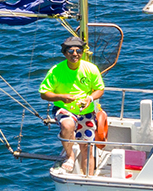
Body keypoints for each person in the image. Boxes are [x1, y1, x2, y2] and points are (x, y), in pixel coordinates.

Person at [40, 37, 105, 173]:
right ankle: (70, 156)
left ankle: (88, 178)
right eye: (70, 51)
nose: (75, 54)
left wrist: (90, 98)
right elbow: (44, 93)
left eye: (78, 51)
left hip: (85, 111)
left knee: (87, 148)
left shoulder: (91, 69)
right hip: (64, 108)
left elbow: (100, 89)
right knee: (67, 125)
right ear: (64, 53)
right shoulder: (56, 71)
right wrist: (61, 97)